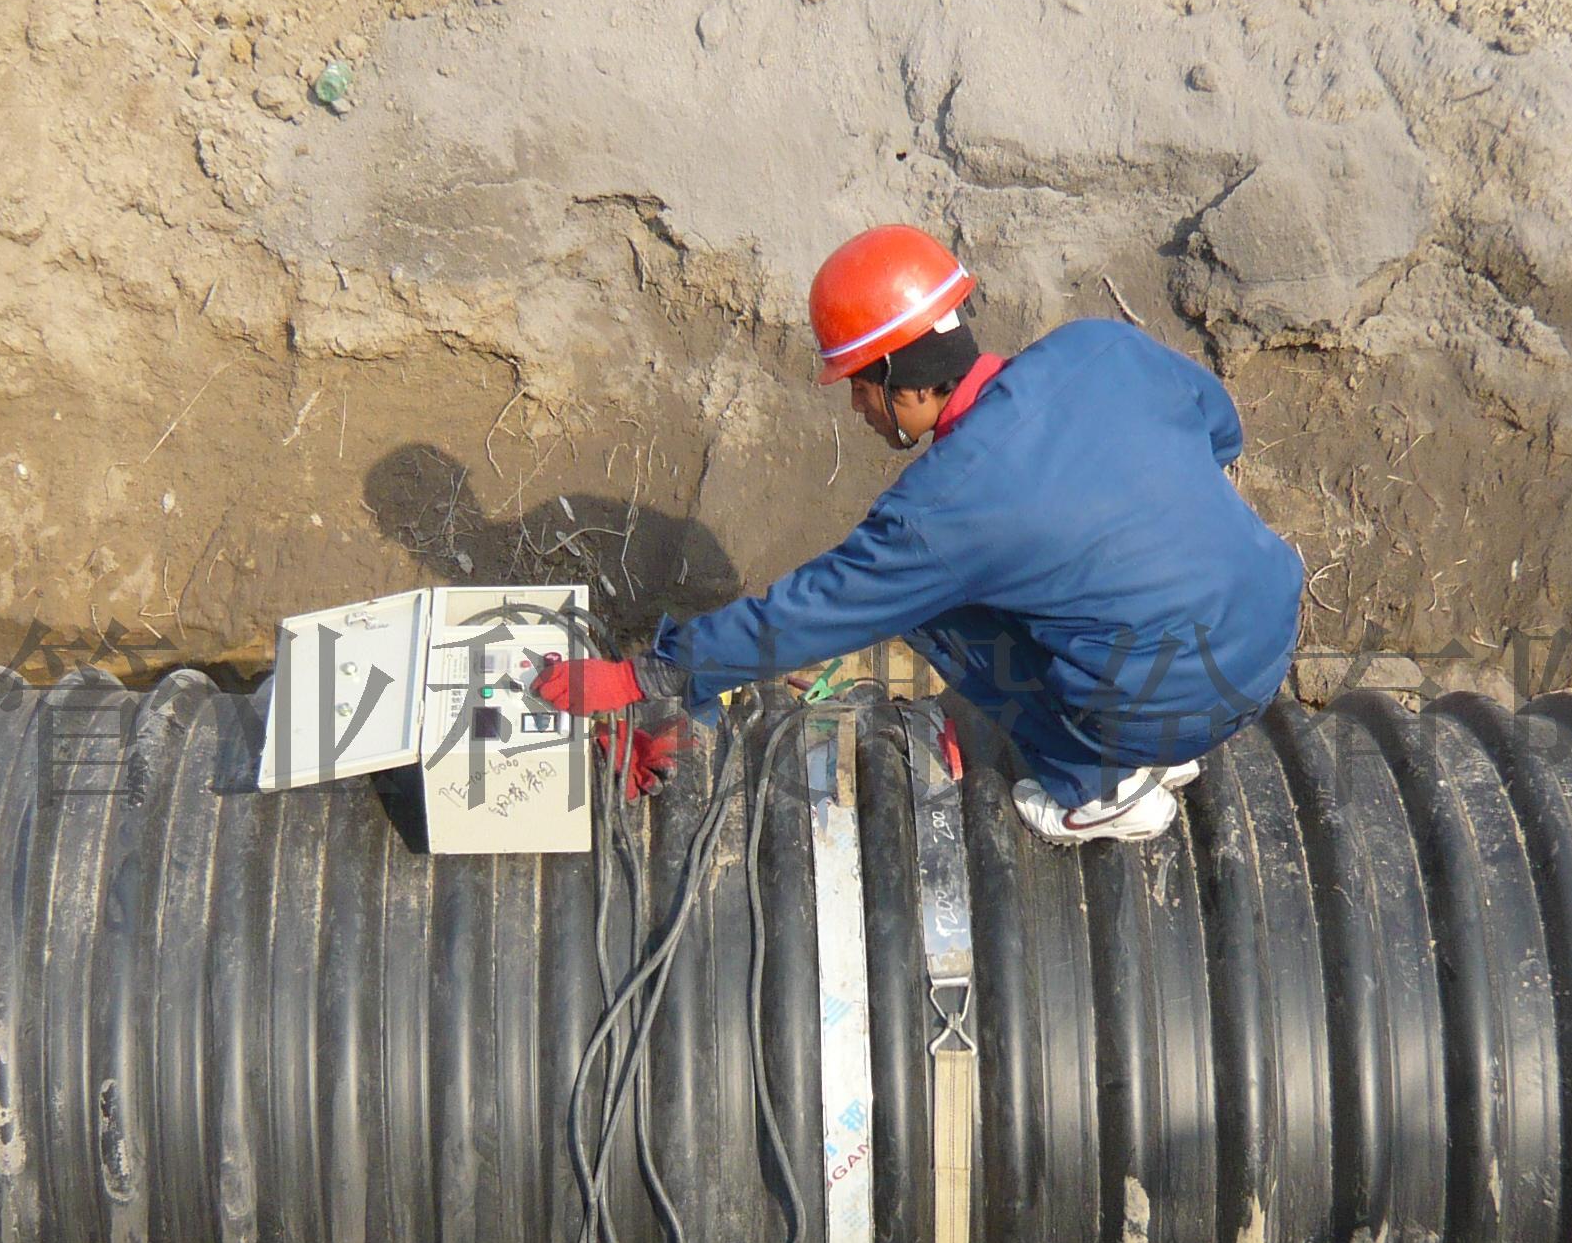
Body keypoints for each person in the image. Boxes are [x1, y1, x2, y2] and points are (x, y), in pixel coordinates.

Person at [535, 224, 1303, 844]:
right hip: (1270, 627)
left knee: (930, 607)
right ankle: (1158, 731)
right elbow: (1220, 433)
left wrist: (652, 678)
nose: (856, 412)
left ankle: (1100, 783)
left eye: (859, 390)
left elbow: (807, 614)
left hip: (1182, 701)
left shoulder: (944, 510)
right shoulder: (1098, 346)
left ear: (899, 377)